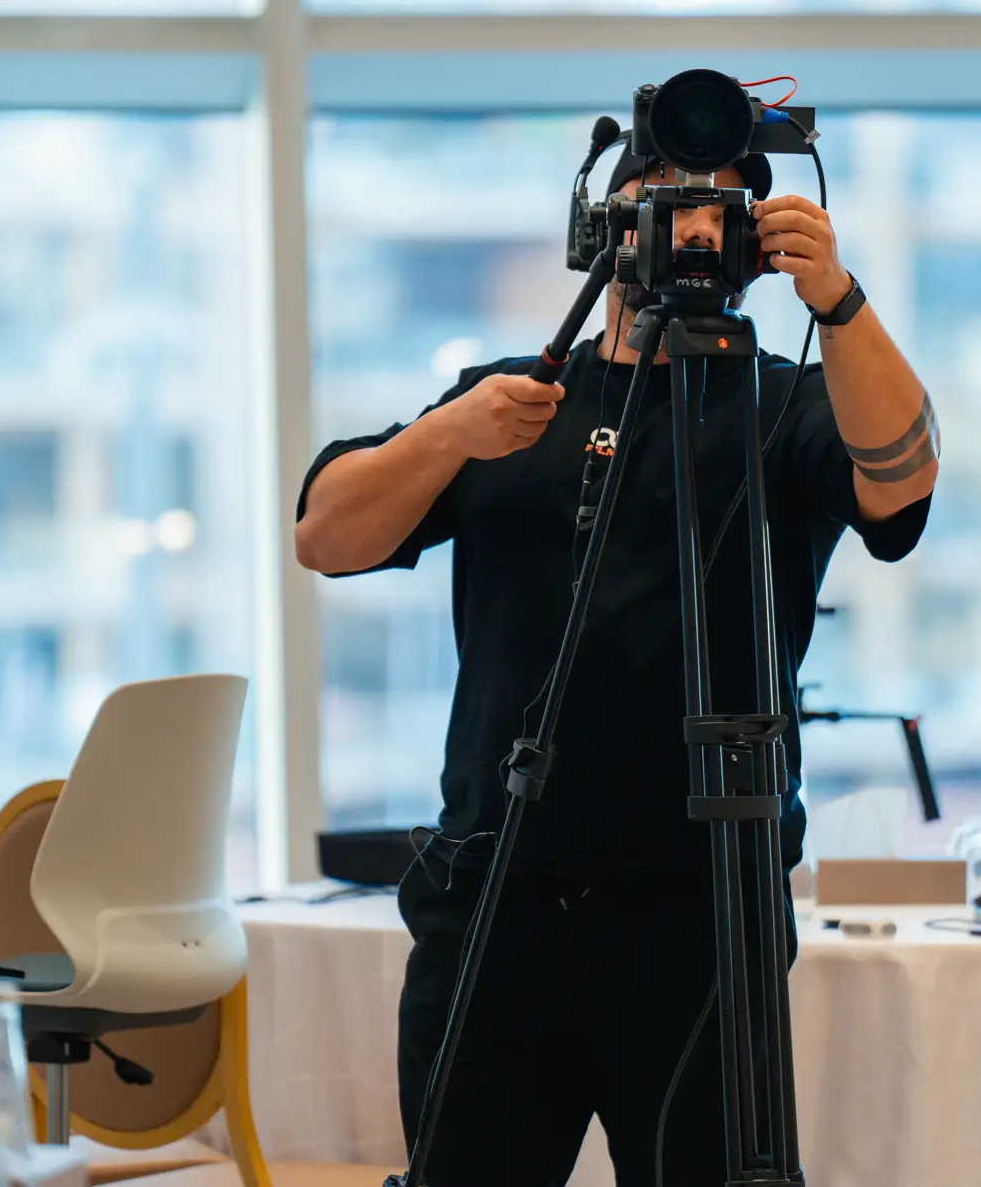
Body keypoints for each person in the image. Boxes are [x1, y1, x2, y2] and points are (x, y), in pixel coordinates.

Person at [294, 143, 940, 1187]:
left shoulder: (787, 407)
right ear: (601, 232)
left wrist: (838, 300)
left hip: (703, 918)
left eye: (720, 211)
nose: (692, 230)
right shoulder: (508, 405)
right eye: (665, 205)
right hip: (496, 899)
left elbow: (902, 486)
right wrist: (450, 435)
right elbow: (325, 537)